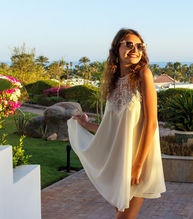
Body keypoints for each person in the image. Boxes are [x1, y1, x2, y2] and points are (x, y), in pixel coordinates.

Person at [67, 28, 166, 219]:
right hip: (119, 164)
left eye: (139, 46)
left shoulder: (144, 75)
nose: (135, 49)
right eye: (129, 44)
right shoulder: (113, 85)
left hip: (139, 163)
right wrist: (86, 125)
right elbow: (111, 130)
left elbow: (152, 124)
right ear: (116, 49)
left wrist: (137, 166)